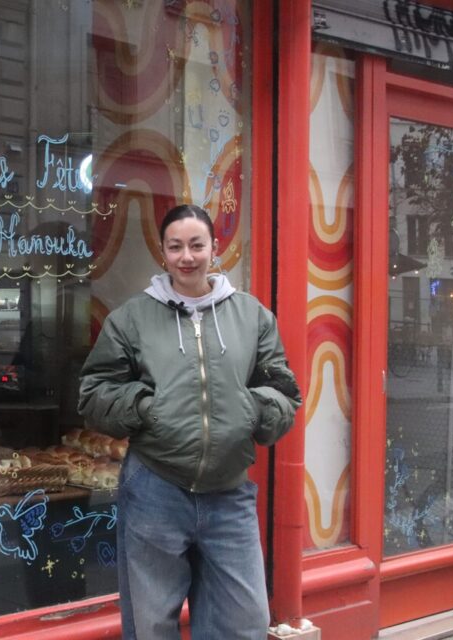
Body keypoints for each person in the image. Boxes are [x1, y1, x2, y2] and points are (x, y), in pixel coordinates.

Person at [77, 204, 302, 639]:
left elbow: (284, 393)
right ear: (163, 252)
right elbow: (94, 394)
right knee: (152, 623)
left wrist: (251, 409)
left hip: (229, 494)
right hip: (155, 490)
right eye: (175, 246)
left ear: (214, 248)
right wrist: (148, 407)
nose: (187, 256)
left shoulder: (252, 316)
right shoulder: (132, 319)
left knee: (243, 621)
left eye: (196, 245)